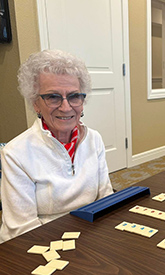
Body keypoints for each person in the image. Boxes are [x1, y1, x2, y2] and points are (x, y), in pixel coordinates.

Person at [0, 49, 114, 243]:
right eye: (53, 97)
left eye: (74, 96)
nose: (66, 107)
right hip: (42, 243)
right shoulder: (15, 153)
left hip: (89, 234)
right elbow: (23, 229)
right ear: (36, 103)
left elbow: (105, 198)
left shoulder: (94, 139)